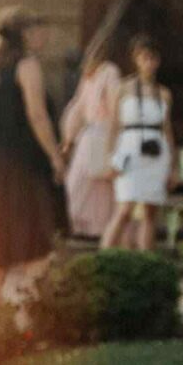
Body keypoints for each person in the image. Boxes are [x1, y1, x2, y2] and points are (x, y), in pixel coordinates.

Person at [0, 7, 66, 308]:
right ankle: (28, 315)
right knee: (33, 236)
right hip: (24, 162)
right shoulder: (27, 65)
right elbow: (37, 116)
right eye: (34, 29)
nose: (39, 35)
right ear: (23, 34)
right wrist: (55, 156)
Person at [100, 35, 176, 251]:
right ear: (136, 60)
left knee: (150, 211)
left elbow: (167, 129)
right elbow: (113, 125)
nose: (148, 63)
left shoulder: (163, 93)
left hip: (155, 150)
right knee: (125, 208)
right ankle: (104, 256)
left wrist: (173, 166)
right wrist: (109, 157)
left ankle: (146, 257)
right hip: (130, 149)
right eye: (144, 58)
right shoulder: (123, 89)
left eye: (152, 58)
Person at [59, 55, 122, 238]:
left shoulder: (102, 74)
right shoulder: (96, 75)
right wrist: (68, 138)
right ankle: (88, 226)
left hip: (98, 132)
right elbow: (80, 107)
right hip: (96, 133)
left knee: (96, 183)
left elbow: (110, 106)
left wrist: (69, 137)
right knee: (87, 182)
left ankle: (96, 227)